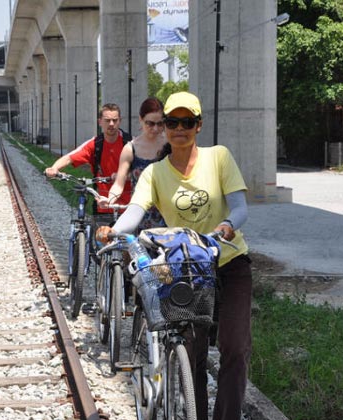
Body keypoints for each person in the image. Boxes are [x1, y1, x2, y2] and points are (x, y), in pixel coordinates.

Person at [96, 91, 252, 420]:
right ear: (165, 127)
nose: (179, 128)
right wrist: (115, 230)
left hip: (229, 262)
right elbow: (135, 211)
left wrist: (225, 226)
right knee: (190, 353)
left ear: (199, 125)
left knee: (235, 348)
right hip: (186, 267)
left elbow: (239, 207)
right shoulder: (155, 173)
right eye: (172, 122)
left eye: (187, 122)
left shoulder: (219, 157)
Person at [44, 103, 133, 225]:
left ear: (120, 121)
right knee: (101, 242)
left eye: (115, 120)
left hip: (128, 206)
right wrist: (54, 168)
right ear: (100, 122)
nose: (111, 124)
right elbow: (70, 157)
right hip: (103, 204)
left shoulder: (130, 143)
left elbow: (145, 169)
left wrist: (126, 176)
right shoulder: (96, 144)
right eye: (107, 120)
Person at [99, 97, 168, 229]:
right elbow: (119, 183)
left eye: (160, 124)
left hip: (169, 214)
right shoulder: (131, 148)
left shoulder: (170, 145)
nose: (155, 128)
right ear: (140, 120)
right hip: (141, 215)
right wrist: (109, 199)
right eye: (150, 123)